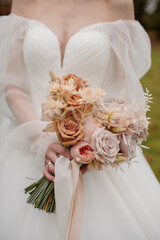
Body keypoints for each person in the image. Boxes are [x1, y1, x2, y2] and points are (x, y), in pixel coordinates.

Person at [0, 0, 160, 239]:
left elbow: (122, 90)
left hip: (90, 153)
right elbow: (12, 84)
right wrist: (40, 140)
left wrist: (94, 138)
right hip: (25, 142)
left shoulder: (118, 4)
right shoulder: (24, 2)